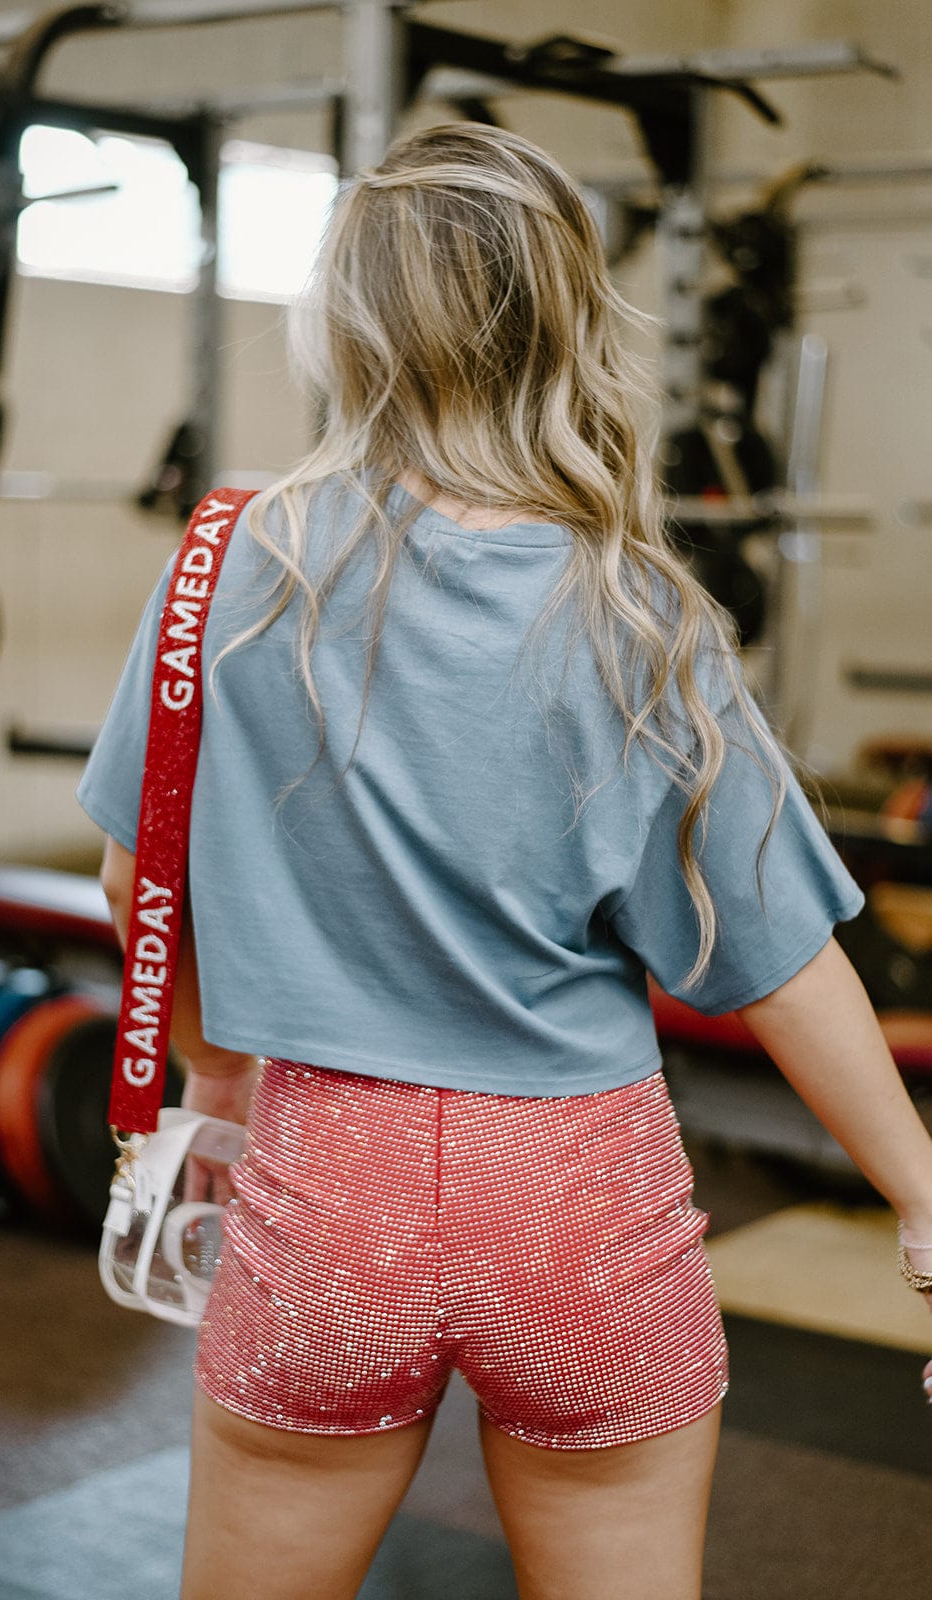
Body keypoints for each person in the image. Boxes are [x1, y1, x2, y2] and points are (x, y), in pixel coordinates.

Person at [77, 122, 932, 1600]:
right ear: (570, 327)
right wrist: (919, 1190)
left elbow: (132, 885)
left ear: (343, 321)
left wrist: (213, 1088)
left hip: (322, 1185)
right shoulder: (638, 611)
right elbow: (782, 962)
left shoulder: (230, 560)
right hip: (578, 1200)